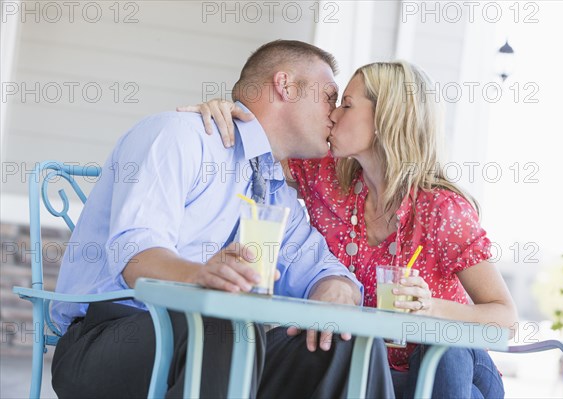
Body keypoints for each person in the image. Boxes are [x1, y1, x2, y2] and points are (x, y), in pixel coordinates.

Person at [50, 40, 395, 398]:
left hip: (229, 346)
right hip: (112, 337)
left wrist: (336, 293)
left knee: (350, 343)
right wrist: (200, 276)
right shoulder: (181, 136)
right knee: (225, 322)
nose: (334, 113)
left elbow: (322, 270)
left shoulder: (278, 194)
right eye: (329, 96)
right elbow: (136, 254)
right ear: (286, 86)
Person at [181, 60, 519, 398]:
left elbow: (505, 318)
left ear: (386, 118)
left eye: (346, 104)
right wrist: (229, 112)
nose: (333, 115)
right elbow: (261, 140)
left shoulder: (442, 211)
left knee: (445, 350)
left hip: (453, 367)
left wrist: (430, 310)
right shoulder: (325, 177)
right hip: (374, 371)